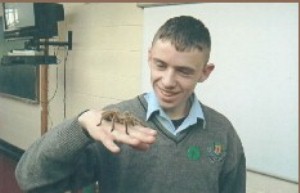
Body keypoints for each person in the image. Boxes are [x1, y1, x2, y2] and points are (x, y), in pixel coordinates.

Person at [15, 15, 246, 193]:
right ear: (149, 57)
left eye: (184, 71)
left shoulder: (222, 132)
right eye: (160, 65)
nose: (167, 81)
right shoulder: (111, 124)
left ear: (205, 72)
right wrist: (80, 126)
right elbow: (30, 179)